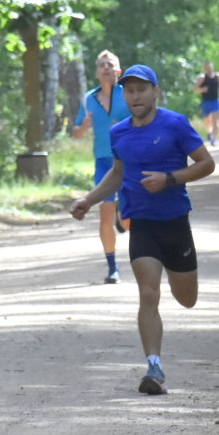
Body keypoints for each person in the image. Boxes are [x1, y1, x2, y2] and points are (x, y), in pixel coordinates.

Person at [70, 64, 215, 395]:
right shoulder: (119, 132)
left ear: (155, 92)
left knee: (187, 298)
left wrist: (170, 179)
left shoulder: (175, 124)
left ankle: (158, 356)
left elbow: (207, 163)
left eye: (141, 90)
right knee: (148, 293)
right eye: (129, 91)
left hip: (176, 223)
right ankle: (155, 368)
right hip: (143, 225)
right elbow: (118, 174)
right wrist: (89, 200)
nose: (135, 96)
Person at [73, 50, 132, 284]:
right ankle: (112, 267)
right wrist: (84, 127)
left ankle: (123, 216)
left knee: (128, 221)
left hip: (128, 161)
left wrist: (126, 126)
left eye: (111, 64)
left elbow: (142, 122)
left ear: (119, 71)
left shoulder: (128, 94)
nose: (106, 67)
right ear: (97, 72)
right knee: (104, 214)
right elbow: (77, 134)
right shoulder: (89, 99)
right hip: (104, 162)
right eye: (102, 65)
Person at [193, 60, 219, 146]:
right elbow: (195, 89)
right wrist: (202, 89)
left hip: (215, 101)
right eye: (207, 68)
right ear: (205, 69)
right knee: (207, 121)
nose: (209, 70)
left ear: (213, 67)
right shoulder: (202, 77)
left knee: (215, 121)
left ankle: (214, 139)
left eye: (211, 68)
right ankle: (209, 133)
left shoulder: (217, 76)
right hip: (206, 102)